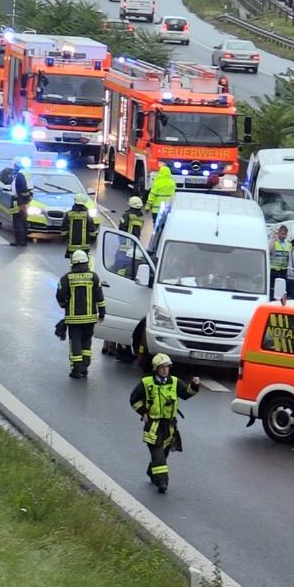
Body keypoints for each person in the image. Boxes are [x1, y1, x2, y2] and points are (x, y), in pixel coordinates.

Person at [130, 353, 200, 494]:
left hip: (170, 426)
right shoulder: (146, 383)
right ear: (156, 368)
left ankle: (152, 472)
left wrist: (194, 385)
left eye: (167, 367)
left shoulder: (174, 382)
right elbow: (133, 399)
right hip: (153, 426)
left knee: (164, 454)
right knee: (158, 454)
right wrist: (143, 412)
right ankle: (162, 482)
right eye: (162, 367)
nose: (165, 370)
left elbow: (186, 393)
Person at [103, 195, 148, 359]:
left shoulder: (127, 215)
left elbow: (121, 232)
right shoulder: (140, 218)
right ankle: (114, 345)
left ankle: (110, 345)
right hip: (131, 253)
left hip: (123, 253)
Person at [55, 250, 106, 379]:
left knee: (75, 342)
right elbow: (99, 296)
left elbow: (60, 295)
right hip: (90, 319)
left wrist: (64, 304)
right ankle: (85, 367)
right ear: (86, 261)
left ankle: (76, 369)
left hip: (74, 319)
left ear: (73, 262)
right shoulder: (94, 277)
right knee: (86, 342)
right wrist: (102, 313)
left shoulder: (66, 278)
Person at [63, 194, 99, 261]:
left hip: (72, 246)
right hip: (84, 246)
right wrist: (93, 239)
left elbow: (64, 229)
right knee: (84, 261)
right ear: (84, 203)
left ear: (75, 202)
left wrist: (65, 239)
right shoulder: (87, 215)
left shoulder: (69, 214)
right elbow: (92, 230)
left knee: (73, 262)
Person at [9, 161, 31, 247]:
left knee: (18, 221)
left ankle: (20, 240)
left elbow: (23, 189)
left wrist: (22, 202)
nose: (13, 169)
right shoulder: (23, 173)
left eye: (14, 167)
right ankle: (22, 240)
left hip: (18, 201)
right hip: (21, 201)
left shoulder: (20, 175)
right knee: (22, 220)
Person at [269, 225, 291, 300]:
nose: (283, 236)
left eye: (285, 234)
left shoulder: (288, 244)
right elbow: (269, 251)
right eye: (282, 233)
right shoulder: (274, 242)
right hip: (274, 268)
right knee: (272, 287)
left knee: (282, 288)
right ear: (278, 233)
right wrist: (274, 240)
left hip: (283, 269)